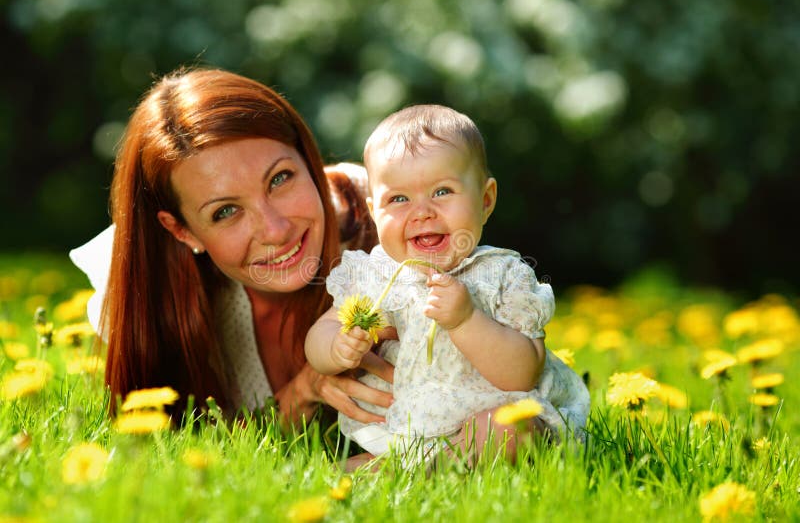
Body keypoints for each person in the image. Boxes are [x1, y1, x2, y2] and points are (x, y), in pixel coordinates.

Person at [69, 67, 394, 425]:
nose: (275, 230)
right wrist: (303, 392)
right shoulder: (147, 292)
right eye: (225, 211)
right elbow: (183, 448)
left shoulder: (391, 213)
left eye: (280, 179)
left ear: (308, 158)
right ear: (182, 231)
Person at [305, 105, 590, 464]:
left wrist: (466, 320)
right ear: (375, 212)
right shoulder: (375, 274)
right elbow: (322, 333)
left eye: (442, 191)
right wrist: (335, 347)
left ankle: (410, 473)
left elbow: (522, 373)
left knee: (512, 430)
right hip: (406, 422)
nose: (421, 212)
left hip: (486, 416)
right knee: (401, 445)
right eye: (399, 199)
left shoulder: (501, 274)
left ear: (485, 201)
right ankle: (409, 465)